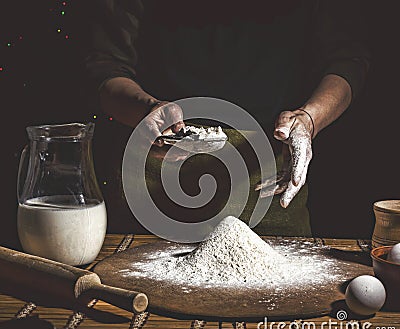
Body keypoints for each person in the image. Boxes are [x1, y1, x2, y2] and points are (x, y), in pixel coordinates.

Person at [84, 0, 370, 236]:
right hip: (157, 171)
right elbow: (107, 67)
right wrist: (147, 109)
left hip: (267, 183)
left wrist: (308, 119)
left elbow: (347, 58)